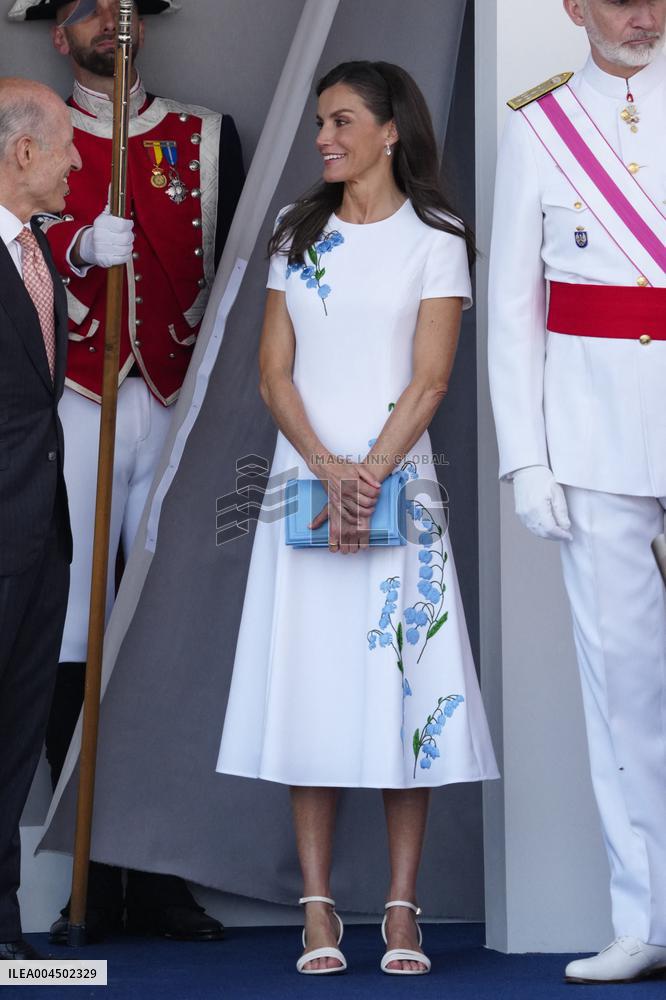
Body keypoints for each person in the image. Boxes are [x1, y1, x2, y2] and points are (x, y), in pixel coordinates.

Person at [216, 59, 498, 977]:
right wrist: (331, 470)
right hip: (306, 483)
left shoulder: (437, 238)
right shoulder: (296, 234)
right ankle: (317, 909)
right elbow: (272, 373)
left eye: (340, 122)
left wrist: (368, 476)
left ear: (390, 132)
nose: (322, 138)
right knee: (315, 690)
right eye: (319, 123)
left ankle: (403, 910)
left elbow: (431, 378)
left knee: (403, 693)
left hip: (397, 488)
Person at [9, 0, 244, 944]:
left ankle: (157, 869)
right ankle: (89, 868)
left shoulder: (204, 137)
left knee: (166, 627)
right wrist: (71, 247)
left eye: (124, 7)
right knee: (67, 632)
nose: (113, 20)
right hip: (71, 403)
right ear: (58, 36)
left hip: (175, 402)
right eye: (86, 12)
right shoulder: (36, 133)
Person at [488, 0, 666, 985]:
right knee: (624, 692)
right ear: (572, 7)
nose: (644, 13)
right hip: (595, 444)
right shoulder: (539, 127)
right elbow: (515, 310)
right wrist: (528, 458)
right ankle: (646, 916)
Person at [0, 77, 79, 960]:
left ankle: (5, 936)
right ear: (24, 153)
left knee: (14, 748)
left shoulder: (36, 249)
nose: (75, 164)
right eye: (64, 146)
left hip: (37, 539)